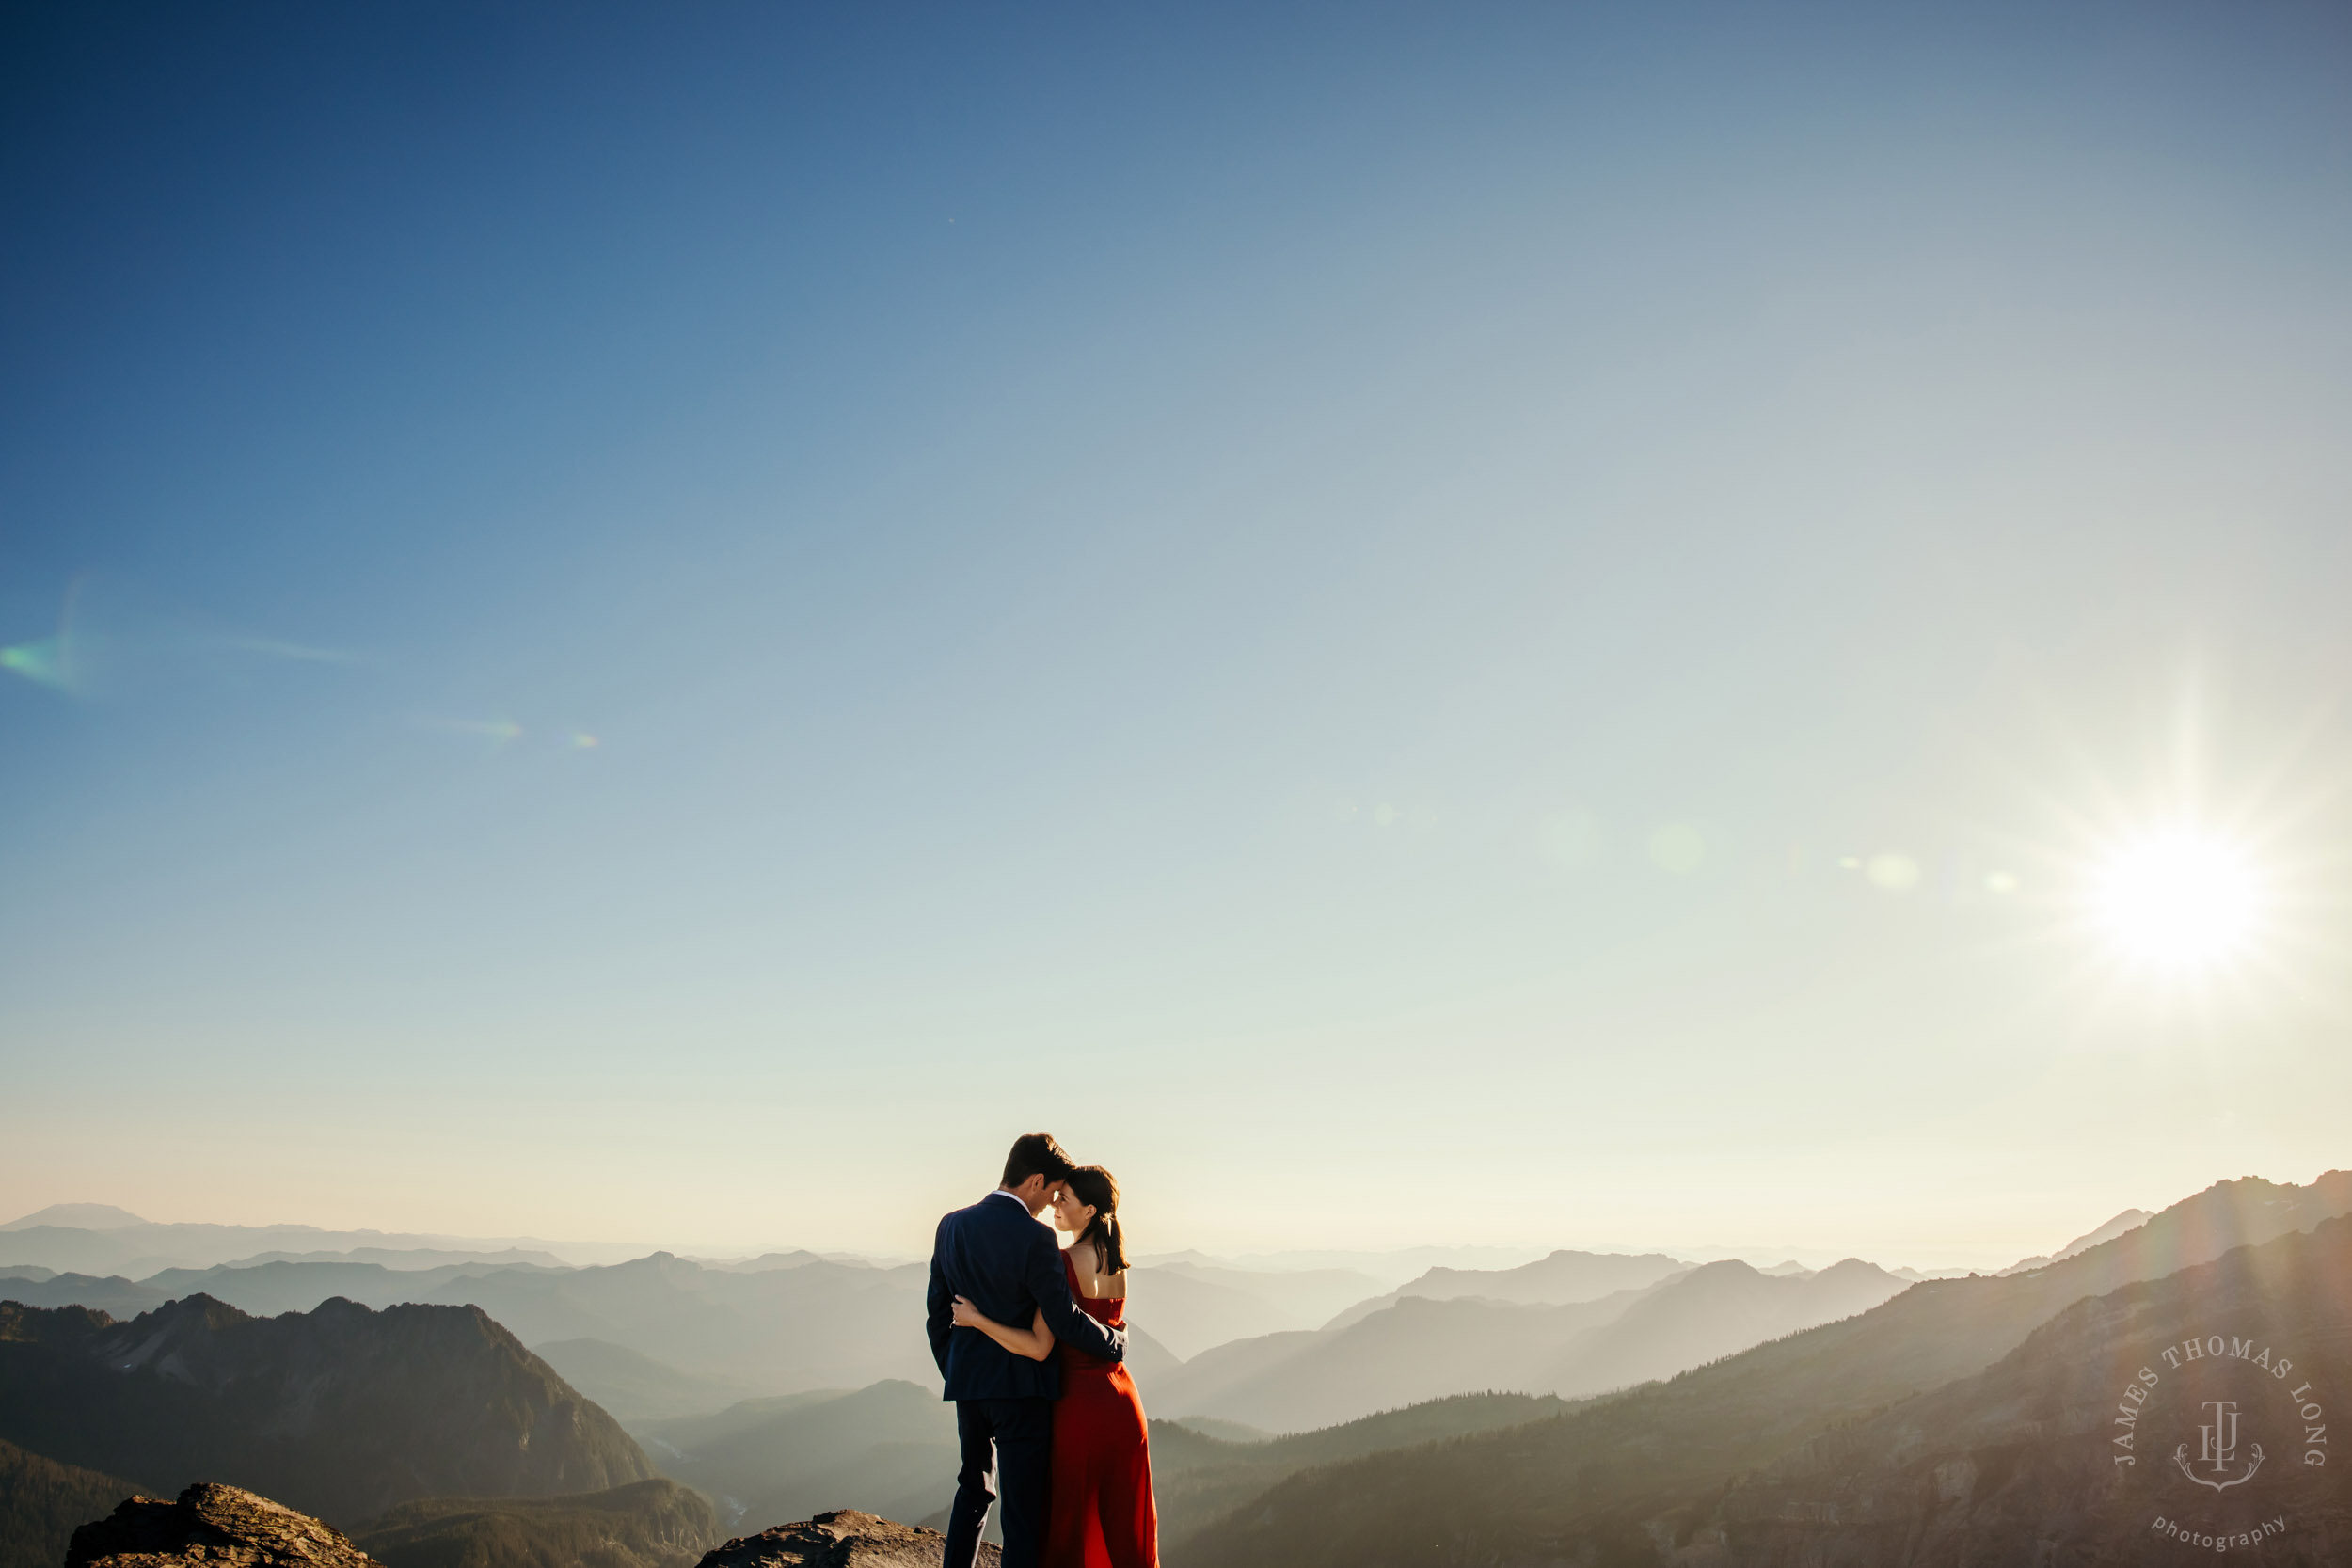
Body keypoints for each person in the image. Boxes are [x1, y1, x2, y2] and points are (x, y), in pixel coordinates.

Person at [928, 1134, 1128, 1568]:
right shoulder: (1037, 1239)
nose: (1051, 1205)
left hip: (969, 1387)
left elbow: (936, 1316)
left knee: (973, 1490)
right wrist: (1115, 1342)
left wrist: (957, 1371)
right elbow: (1064, 1319)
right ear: (1036, 1180)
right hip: (1023, 1391)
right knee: (1022, 1513)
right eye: (1054, 1193)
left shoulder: (951, 1225)